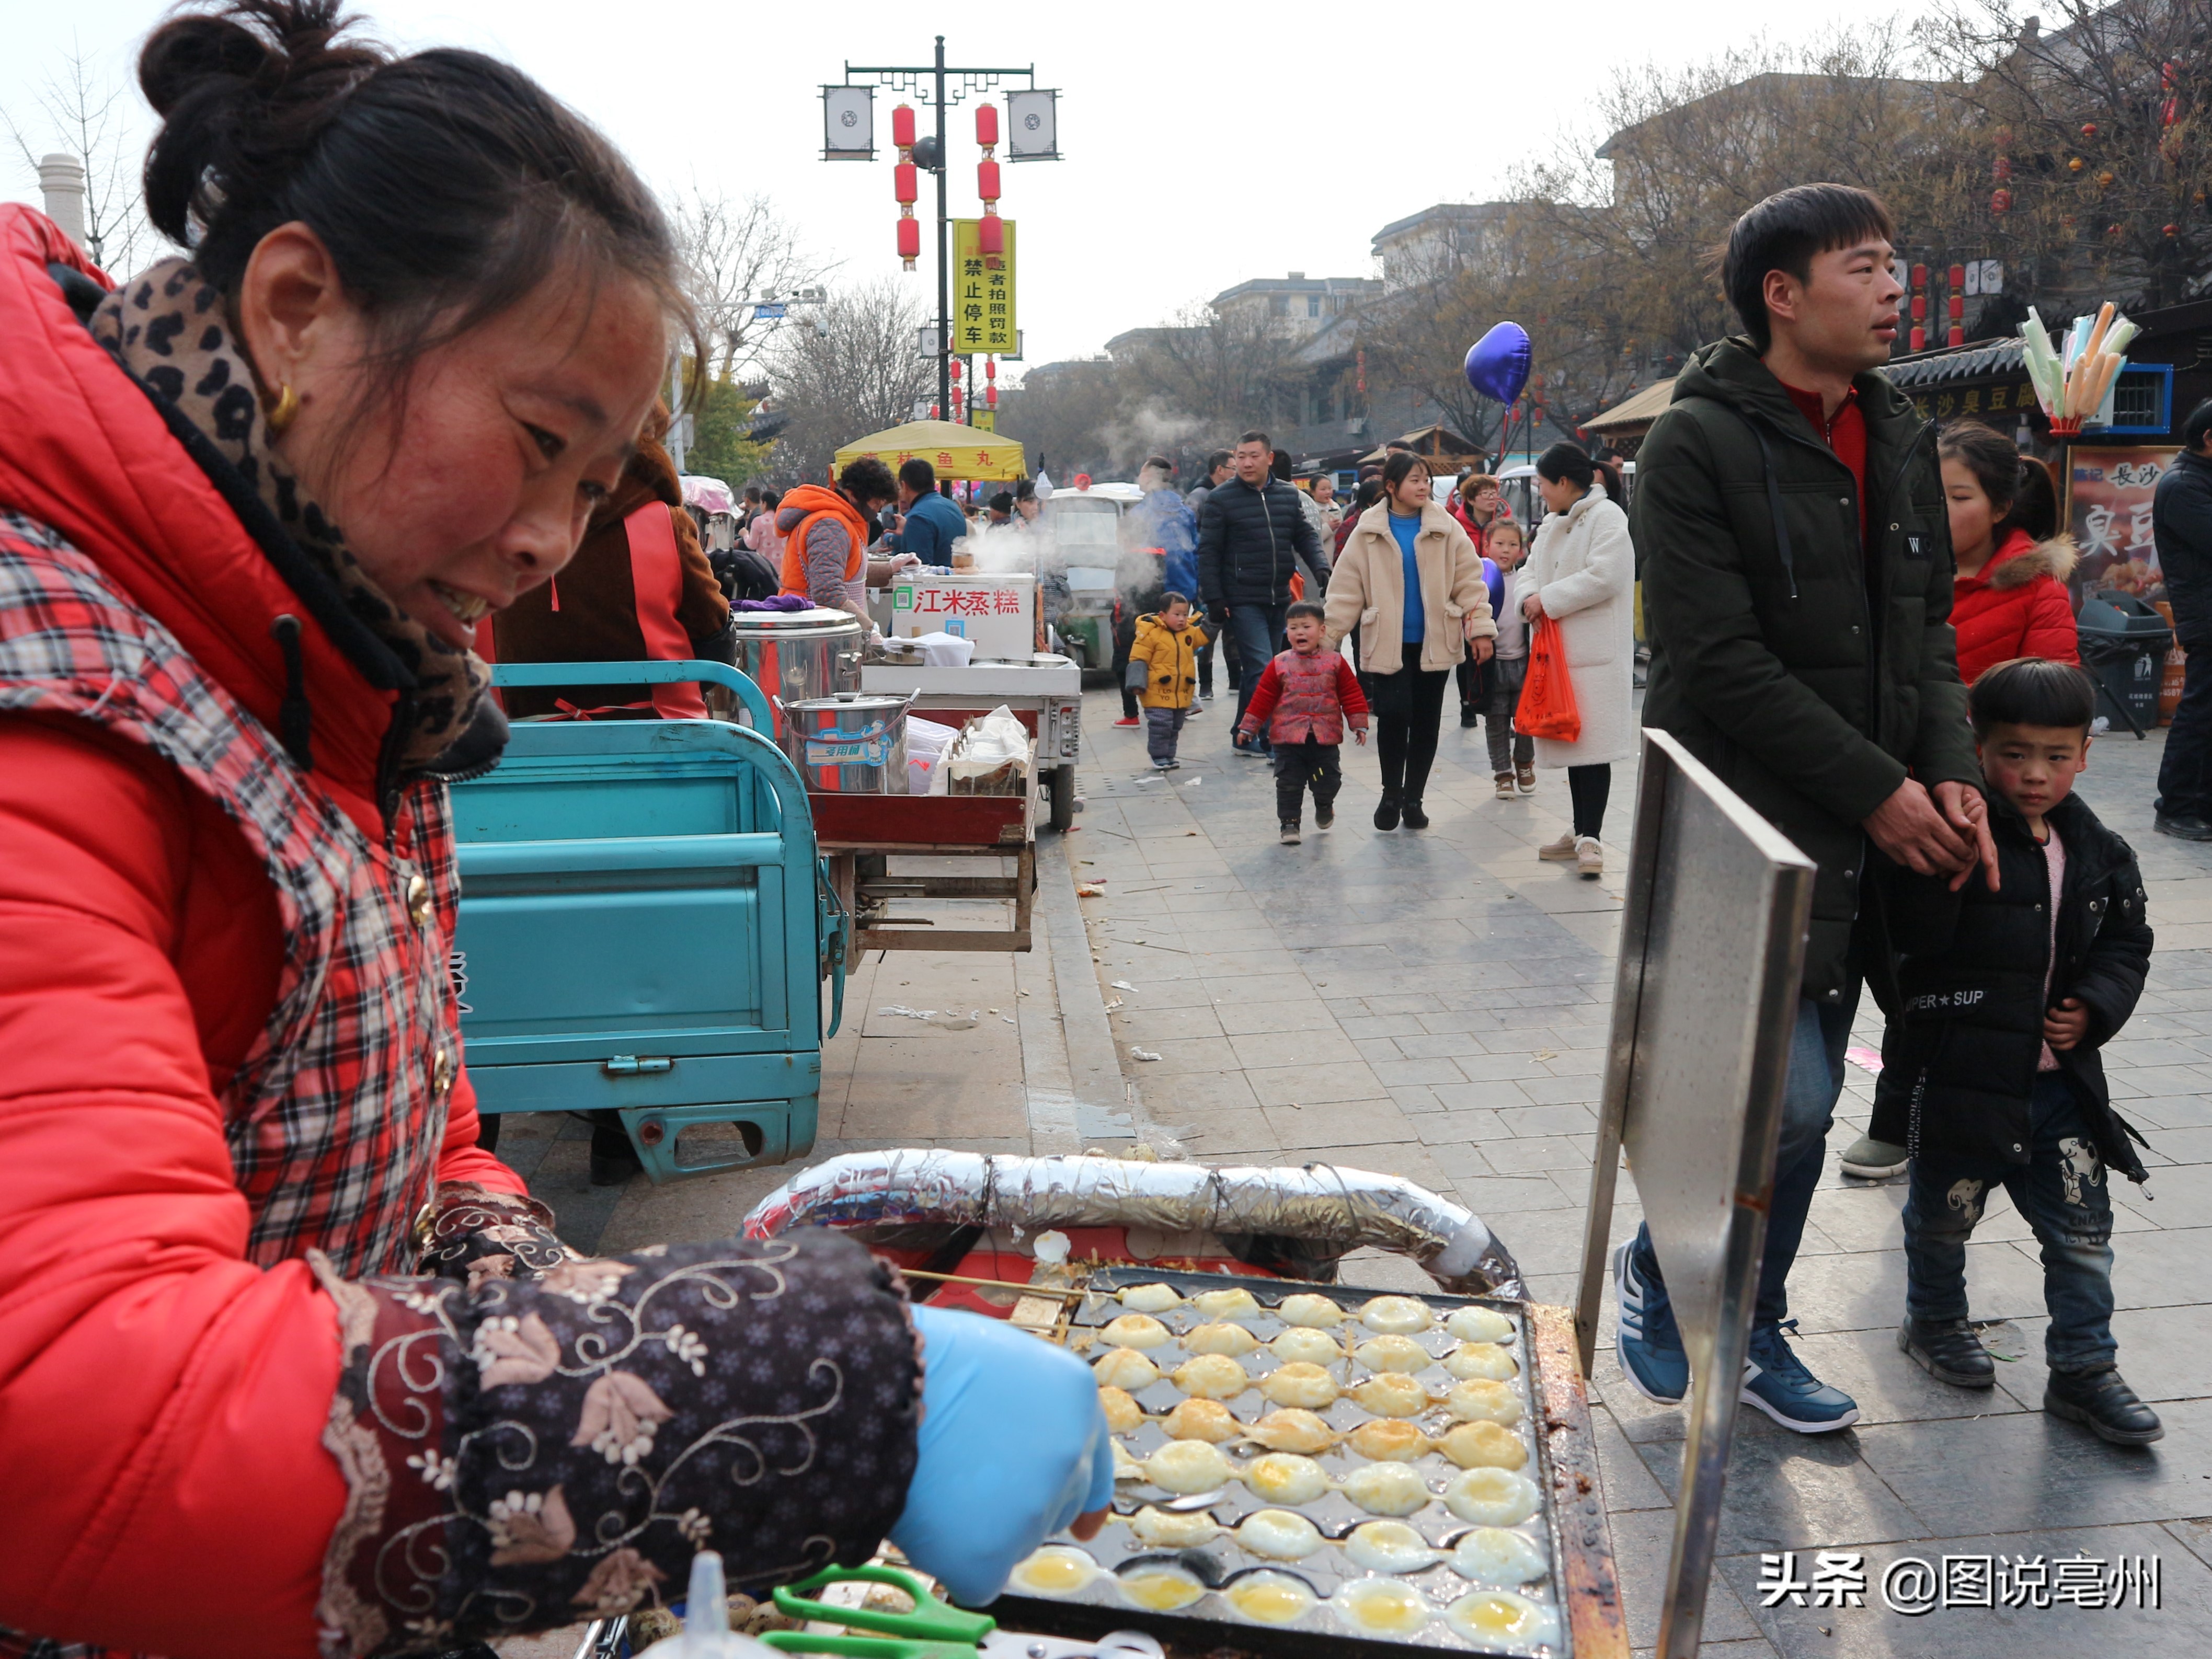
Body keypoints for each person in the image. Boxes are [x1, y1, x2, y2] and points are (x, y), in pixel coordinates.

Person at [0, 3, 1111, 1648]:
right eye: (536, 440)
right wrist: (821, 1380)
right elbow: (72, 1410)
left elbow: (409, 1109)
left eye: (596, 483)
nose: (545, 538)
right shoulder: (56, 679)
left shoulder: (342, 663)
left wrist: (521, 1273)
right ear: (298, 308)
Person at [1625, 182, 1992, 1434]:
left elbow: (1926, 626)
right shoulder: (1693, 443)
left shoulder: (1895, 430)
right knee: (1778, 1094)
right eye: (1867, 267)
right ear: (1782, 295)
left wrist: (1945, 769)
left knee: (1824, 1092)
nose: (1895, 288)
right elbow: (1717, 661)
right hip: (1748, 820)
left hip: (1882, 816)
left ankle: (1741, 1304)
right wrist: (1880, 789)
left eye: (1897, 263)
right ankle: (1684, 1287)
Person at [1875, 660, 2160, 1445]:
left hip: (2058, 1091)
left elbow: (2127, 941)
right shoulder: (1951, 836)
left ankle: (2082, 1367)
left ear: (2083, 753)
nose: (2033, 775)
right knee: (1940, 1221)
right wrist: (1940, 875)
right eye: (2012, 753)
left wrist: (2094, 1006)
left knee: (2081, 1238)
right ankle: (1932, 1320)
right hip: (1964, 1082)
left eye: (2055, 756)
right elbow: (1906, 944)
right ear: (1975, 747)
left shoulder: (2099, 850)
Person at [1325, 452, 1496, 830]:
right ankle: (1391, 793)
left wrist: (1480, 628)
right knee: (1393, 714)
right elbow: (1345, 589)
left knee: (1425, 721)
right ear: (1391, 487)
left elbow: (1469, 581)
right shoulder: (1368, 530)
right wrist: (1327, 639)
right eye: (1415, 480)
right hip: (1387, 640)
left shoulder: (1445, 526)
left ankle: (1413, 799)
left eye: (1426, 481)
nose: (1423, 487)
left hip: (1435, 641)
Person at [1515, 442, 1635, 878]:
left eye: (1543, 483)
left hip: (1596, 653)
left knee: (1593, 747)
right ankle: (1579, 828)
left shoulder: (1607, 518)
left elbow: (1606, 575)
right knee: (1572, 743)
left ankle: (1592, 839)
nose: (1540, 491)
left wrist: (1546, 600)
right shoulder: (1551, 523)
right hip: (1560, 652)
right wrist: (1528, 596)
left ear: (1563, 482)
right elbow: (1528, 569)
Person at [1198, 430, 1326, 754]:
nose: (1246, 463)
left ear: (1269, 459)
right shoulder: (1221, 499)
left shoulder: (1287, 495)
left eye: (1254, 456)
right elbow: (1208, 552)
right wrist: (1214, 598)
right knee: (1264, 668)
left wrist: (1322, 568)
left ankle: (1242, 732)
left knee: (1262, 668)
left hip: (1279, 596)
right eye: (1240, 457)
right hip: (1242, 598)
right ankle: (1273, 737)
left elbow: (1305, 536)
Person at [1940, 421, 2078, 684]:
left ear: (2001, 509)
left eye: (1960, 498)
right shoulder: (1897, 576)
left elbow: (2050, 700)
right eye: (1928, 495)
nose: (1939, 510)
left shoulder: (2040, 591)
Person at [1237, 599, 1370, 844]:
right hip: (1288, 740)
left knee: (1328, 780)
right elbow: (1263, 698)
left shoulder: (1336, 663)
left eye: (1306, 626)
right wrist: (1249, 727)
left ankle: (1324, 803)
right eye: (1293, 627)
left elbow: (1351, 694)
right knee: (1289, 782)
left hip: (1325, 738)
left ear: (1321, 631)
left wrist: (1358, 722)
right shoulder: (1279, 663)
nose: (1299, 632)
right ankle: (1289, 824)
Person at [2152, 397, 2212, 840]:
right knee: (2198, 713)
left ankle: (2198, 802)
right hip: (2206, 618)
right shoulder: (2183, 486)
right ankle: (2177, 805)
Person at [777, 455, 900, 620]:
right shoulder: (830, 525)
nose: (877, 510)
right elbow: (828, 593)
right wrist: (869, 628)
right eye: (876, 502)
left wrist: (891, 568)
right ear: (855, 494)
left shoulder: (843, 521)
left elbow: (847, 570)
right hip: (812, 630)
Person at [1133, 456, 1204, 707]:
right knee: (1183, 643)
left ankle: (1168, 700)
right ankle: (1188, 697)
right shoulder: (1185, 511)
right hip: (1186, 587)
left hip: (1156, 589)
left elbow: (1134, 556)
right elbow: (1195, 550)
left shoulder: (1142, 513)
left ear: (1151, 478)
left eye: (1142, 475)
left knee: (1159, 647)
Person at [1477, 520, 1536, 796]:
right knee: (1497, 720)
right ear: (1486, 546)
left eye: (1513, 545)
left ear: (1521, 551)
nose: (1505, 550)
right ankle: (1502, 774)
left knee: (1526, 719)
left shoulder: (1526, 580)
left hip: (1525, 662)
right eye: (1499, 543)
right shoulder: (1478, 579)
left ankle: (1524, 761)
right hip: (1492, 664)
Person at [1127, 591, 1209, 769]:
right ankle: (1158, 756)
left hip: (1181, 693)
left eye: (1185, 615)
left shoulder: (1189, 633)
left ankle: (1169, 756)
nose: (1182, 619)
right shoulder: (1150, 633)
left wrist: (1215, 618)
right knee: (1161, 725)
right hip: (1156, 691)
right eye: (1177, 615)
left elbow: (1205, 635)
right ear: (1163, 615)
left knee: (1175, 726)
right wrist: (1136, 683)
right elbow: (1138, 659)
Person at [1450, 475, 1507, 723]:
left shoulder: (1505, 524)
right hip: (1468, 596)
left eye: (1494, 493)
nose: (1491, 498)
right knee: (1468, 651)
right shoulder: (1456, 527)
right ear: (1471, 499)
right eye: (1485, 494)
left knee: (1499, 649)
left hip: (1500, 594)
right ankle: (1467, 702)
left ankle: (1496, 703)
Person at [895, 456, 970, 567]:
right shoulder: (954, 507)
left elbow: (917, 570)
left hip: (934, 583)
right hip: (957, 579)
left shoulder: (918, 517)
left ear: (904, 486)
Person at [1187, 448, 1233, 513]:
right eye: (1234, 468)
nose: (1236, 473)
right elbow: (1188, 521)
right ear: (1220, 470)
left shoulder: (1229, 494)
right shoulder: (1198, 496)